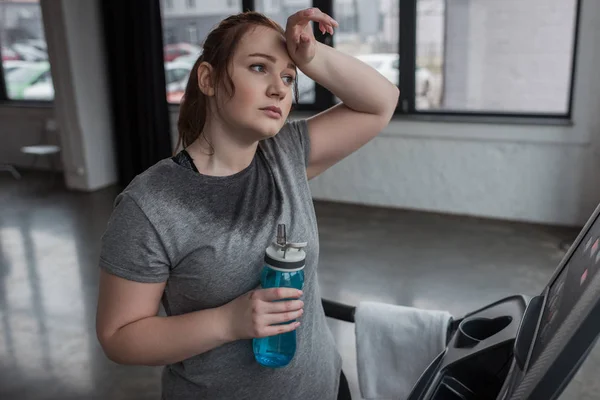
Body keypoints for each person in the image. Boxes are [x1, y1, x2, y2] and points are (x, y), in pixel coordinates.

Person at [96, 8, 398, 400]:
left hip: (325, 387)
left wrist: (312, 57)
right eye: (259, 68)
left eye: (289, 78)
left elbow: (382, 101)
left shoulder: (286, 153)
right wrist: (227, 322)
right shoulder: (151, 204)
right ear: (208, 78)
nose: (279, 89)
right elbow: (119, 337)